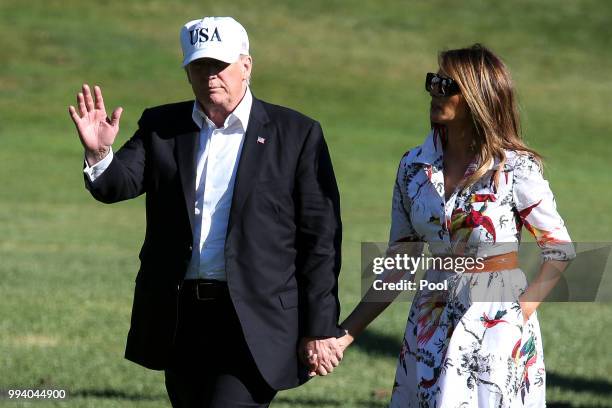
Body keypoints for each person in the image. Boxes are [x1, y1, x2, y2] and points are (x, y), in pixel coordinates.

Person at [68, 16, 344, 408]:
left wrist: (319, 327)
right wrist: (98, 154)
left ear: (246, 66)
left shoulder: (297, 134)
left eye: (220, 64)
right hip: (181, 317)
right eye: (199, 65)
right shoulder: (162, 126)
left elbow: (321, 240)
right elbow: (116, 185)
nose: (210, 75)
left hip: (255, 320)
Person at [316, 44, 575, 406]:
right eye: (433, 82)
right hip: (430, 318)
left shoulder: (516, 168)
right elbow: (401, 263)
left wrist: (519, 314)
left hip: (497, 324)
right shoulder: (412, 167)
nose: (435, 92)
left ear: (477, 96)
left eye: (447, 85)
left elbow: (559, 248)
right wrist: (346, 334)